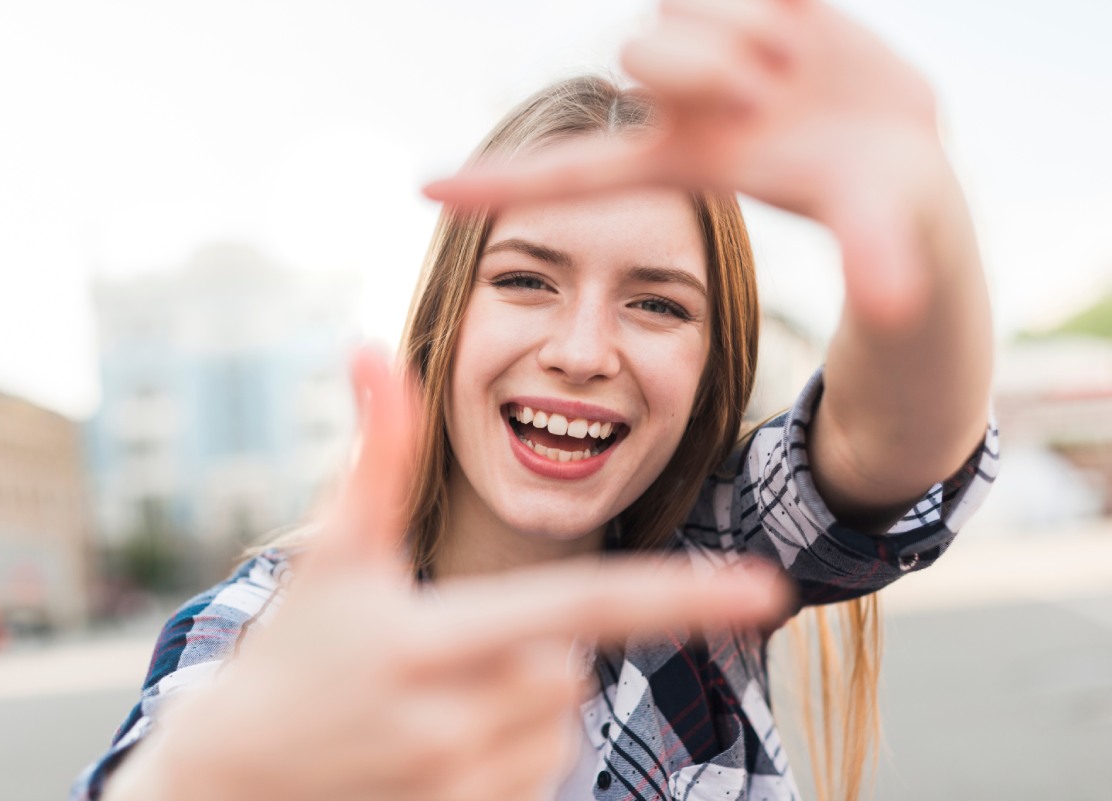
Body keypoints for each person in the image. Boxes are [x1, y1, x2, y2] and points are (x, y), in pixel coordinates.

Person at [72, 1, 999, 800]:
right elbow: (180, 750)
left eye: (657, 303)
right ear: (446, 315)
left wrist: (925, 214)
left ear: (712, 367)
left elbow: (898, 441)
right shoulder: (269, 630)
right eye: (526, 281)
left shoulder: (707, 560)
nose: (584, 351)